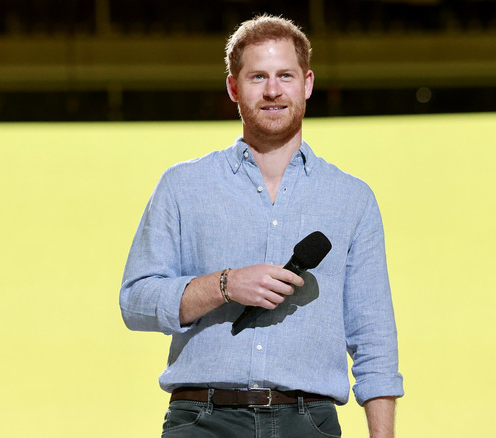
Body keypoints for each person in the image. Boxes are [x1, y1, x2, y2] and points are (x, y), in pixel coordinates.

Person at [120, 14, 403, 437]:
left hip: (309, 421)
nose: (273, 90)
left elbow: (374, 337)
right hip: (202, 420)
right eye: (258, 77)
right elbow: (135, 301)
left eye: (285, 75)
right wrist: (224, 284)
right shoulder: (182, 185)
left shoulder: (352, 198)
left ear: (306, 83)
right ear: (234, 87)